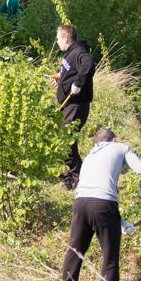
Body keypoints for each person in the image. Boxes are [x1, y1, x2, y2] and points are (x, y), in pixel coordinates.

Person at [58, 129, 141, 281]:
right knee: (110, 251)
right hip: (104, 203)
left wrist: (120, 221)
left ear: (96, 143)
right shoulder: (121, 147)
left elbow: (92, 195)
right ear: (114, 140)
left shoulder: (90, 156)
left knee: (76, 248)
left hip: (80, 202)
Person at [49, 24, 93, 189]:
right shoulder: (69, 53)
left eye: (58, 38)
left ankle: (79, 177)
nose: (57, 41)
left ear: (66, 38)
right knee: (62, 139)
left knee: (66, 139)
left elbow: (88, 66)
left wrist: (78, 84)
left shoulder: (80, 52)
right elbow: (72, 70)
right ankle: (69, 174)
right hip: (68, 105)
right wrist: (62, 77)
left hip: (77, 105)